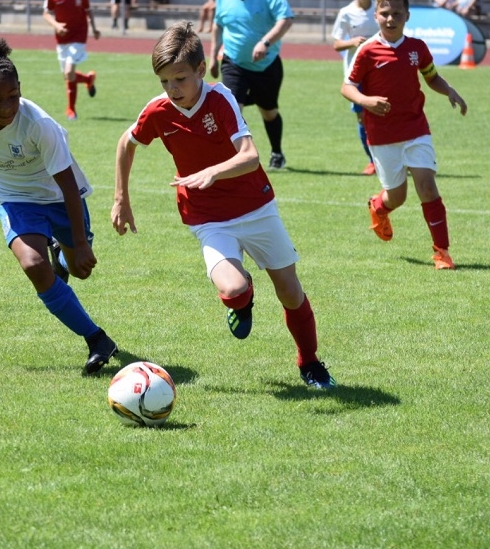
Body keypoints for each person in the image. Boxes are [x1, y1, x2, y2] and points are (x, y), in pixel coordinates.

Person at [111, 22, 336, 390]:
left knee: (290, 292)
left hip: (256, 207)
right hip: (208, 217)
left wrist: (213, 171)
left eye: (180, 79)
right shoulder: (158, 110)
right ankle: (243, 298)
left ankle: (310, 364)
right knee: (232, 290)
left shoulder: (221, 99)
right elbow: (127, 142)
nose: (172, 89)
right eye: (165, 81)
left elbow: (249, 156)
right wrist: (122, 198)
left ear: (201, 70)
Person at [0, 37, 119, 375]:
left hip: (59, 199)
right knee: (34, 265)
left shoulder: (38, 125)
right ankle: (97, 339)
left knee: (79, 267)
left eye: (13, 96)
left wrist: (80, 244)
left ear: (20, 89)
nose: (7, 106)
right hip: (16, 199)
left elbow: (68, 187)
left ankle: (64, 253)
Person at [340, 0, 468, 270]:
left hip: (415, 128)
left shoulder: (417, 48)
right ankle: (378, 206)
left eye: (396, 13)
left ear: (407, 15)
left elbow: (431, 77)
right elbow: (347, 86)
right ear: (376, 15)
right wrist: (366, 100)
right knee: (398, 196)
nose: (390, 18)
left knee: (427, 185)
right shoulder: (367, 50)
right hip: (383, 136)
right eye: (384, 13)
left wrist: (449, 90)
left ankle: (441, 252)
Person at [210, 0, 294, 171]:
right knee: (232, 108)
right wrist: (211, 58)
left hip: (267, 65)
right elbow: (218, 26)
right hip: (234, 62)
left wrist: (265, 43)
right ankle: (235, 158)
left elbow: (285, 19)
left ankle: (277, 152)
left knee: (269, 112)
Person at [331, 0, 378, 176]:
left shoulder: (380, 9)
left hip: (380, 72)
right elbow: (336, 44)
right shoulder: (346, 13)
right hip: (355, 75)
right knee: (362, 119)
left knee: (385, 114)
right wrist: (352, 42)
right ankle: (372, 160)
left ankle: (390, 158)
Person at [43, 0, 100, 121]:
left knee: (69, 71)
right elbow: (46, 13)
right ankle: (88, 79)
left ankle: (71, 110)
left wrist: (94, 29)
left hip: (79, 36)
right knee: (68, 75)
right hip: (62, 38)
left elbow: (89, 12)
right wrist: (56, 25)